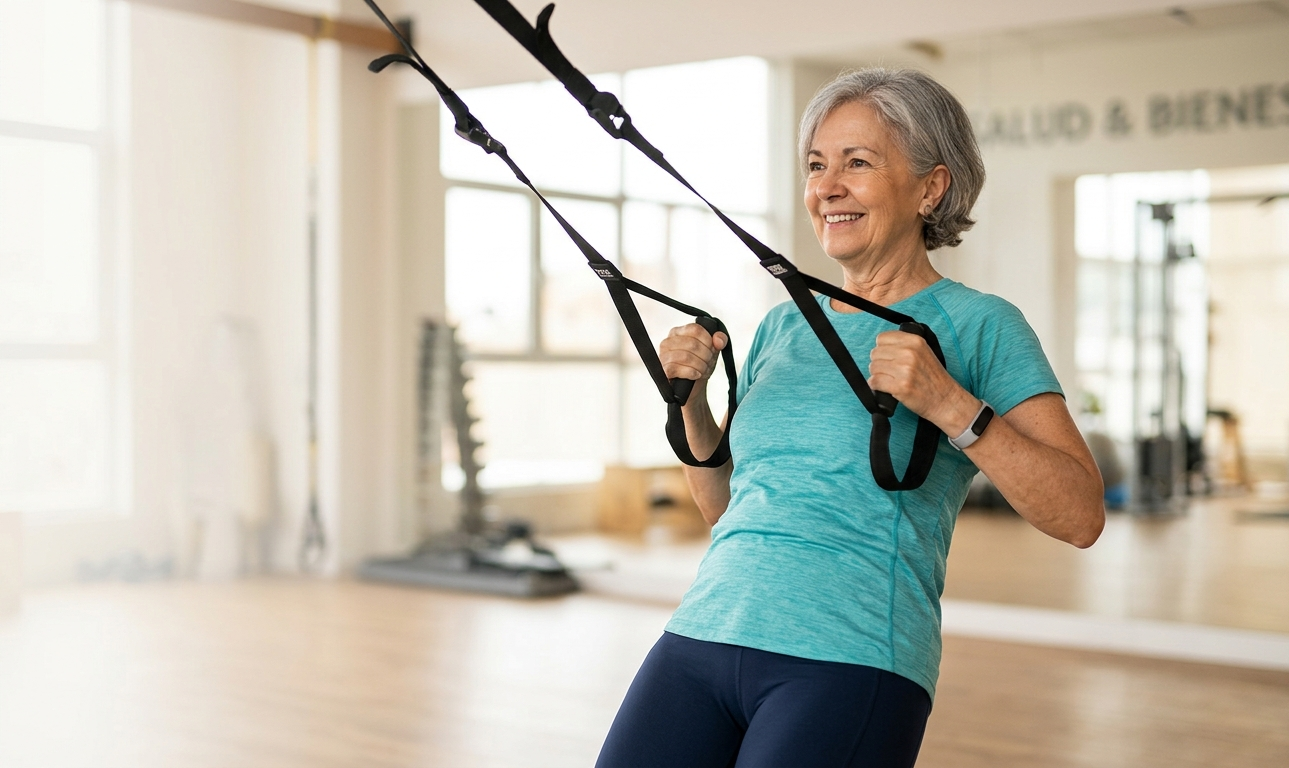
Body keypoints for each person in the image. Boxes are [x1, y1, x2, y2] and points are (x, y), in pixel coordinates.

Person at [594, 67, 1105, 768]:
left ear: (931, 186)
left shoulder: (979, 326)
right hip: (703, 633)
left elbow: (1078, 516)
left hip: (850, 654)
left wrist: (950, 404)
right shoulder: (782, 326)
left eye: (857, 162)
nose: (826, 186)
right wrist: (693, 405)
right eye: (815, 165)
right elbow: (727, 508)